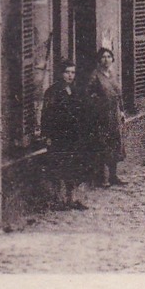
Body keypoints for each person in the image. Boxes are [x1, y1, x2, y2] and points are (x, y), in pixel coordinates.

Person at [39, 60, 88, 210]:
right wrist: (47, 135)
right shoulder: (53, 92)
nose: (70, 75)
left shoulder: (76, 90)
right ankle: (59, 200)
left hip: (74, 135)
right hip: (58, 135)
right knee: (59, 166)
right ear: (61, 73)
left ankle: (72, 199)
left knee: (74, 166)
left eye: (73, 72)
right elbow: (46, 114)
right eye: (67, 72)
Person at [83, 46, 125, 186]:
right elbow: (88, 94)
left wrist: (122, 111)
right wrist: (98, 103)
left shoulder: (113, 75)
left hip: (115, 114)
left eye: (108, 57)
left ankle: (114, 175)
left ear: (112, 59)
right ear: (99, 60)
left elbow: (119, 95)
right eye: (103, 57)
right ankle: (103, 177)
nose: (106, 60)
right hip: (102, 115)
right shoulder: (95, 76)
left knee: (115, 142)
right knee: (104, 143)